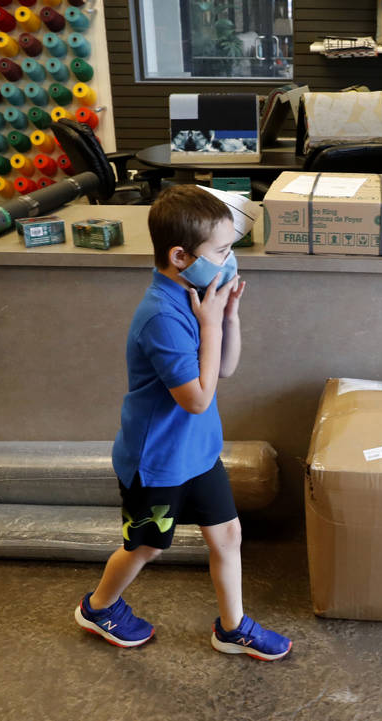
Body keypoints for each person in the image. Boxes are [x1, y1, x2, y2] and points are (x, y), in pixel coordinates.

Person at [74, 185, 292, 661]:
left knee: (228, 535)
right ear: (180, 255)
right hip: (157, 463)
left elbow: (225, 369)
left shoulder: (198, 296)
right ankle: (98, 607)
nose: (229, 259)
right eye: (221, 251)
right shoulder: (162, 316)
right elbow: (196, 398)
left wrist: (228, 319)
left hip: (197, 453)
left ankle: (232, 629)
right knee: (146, 547)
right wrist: (210, 326)